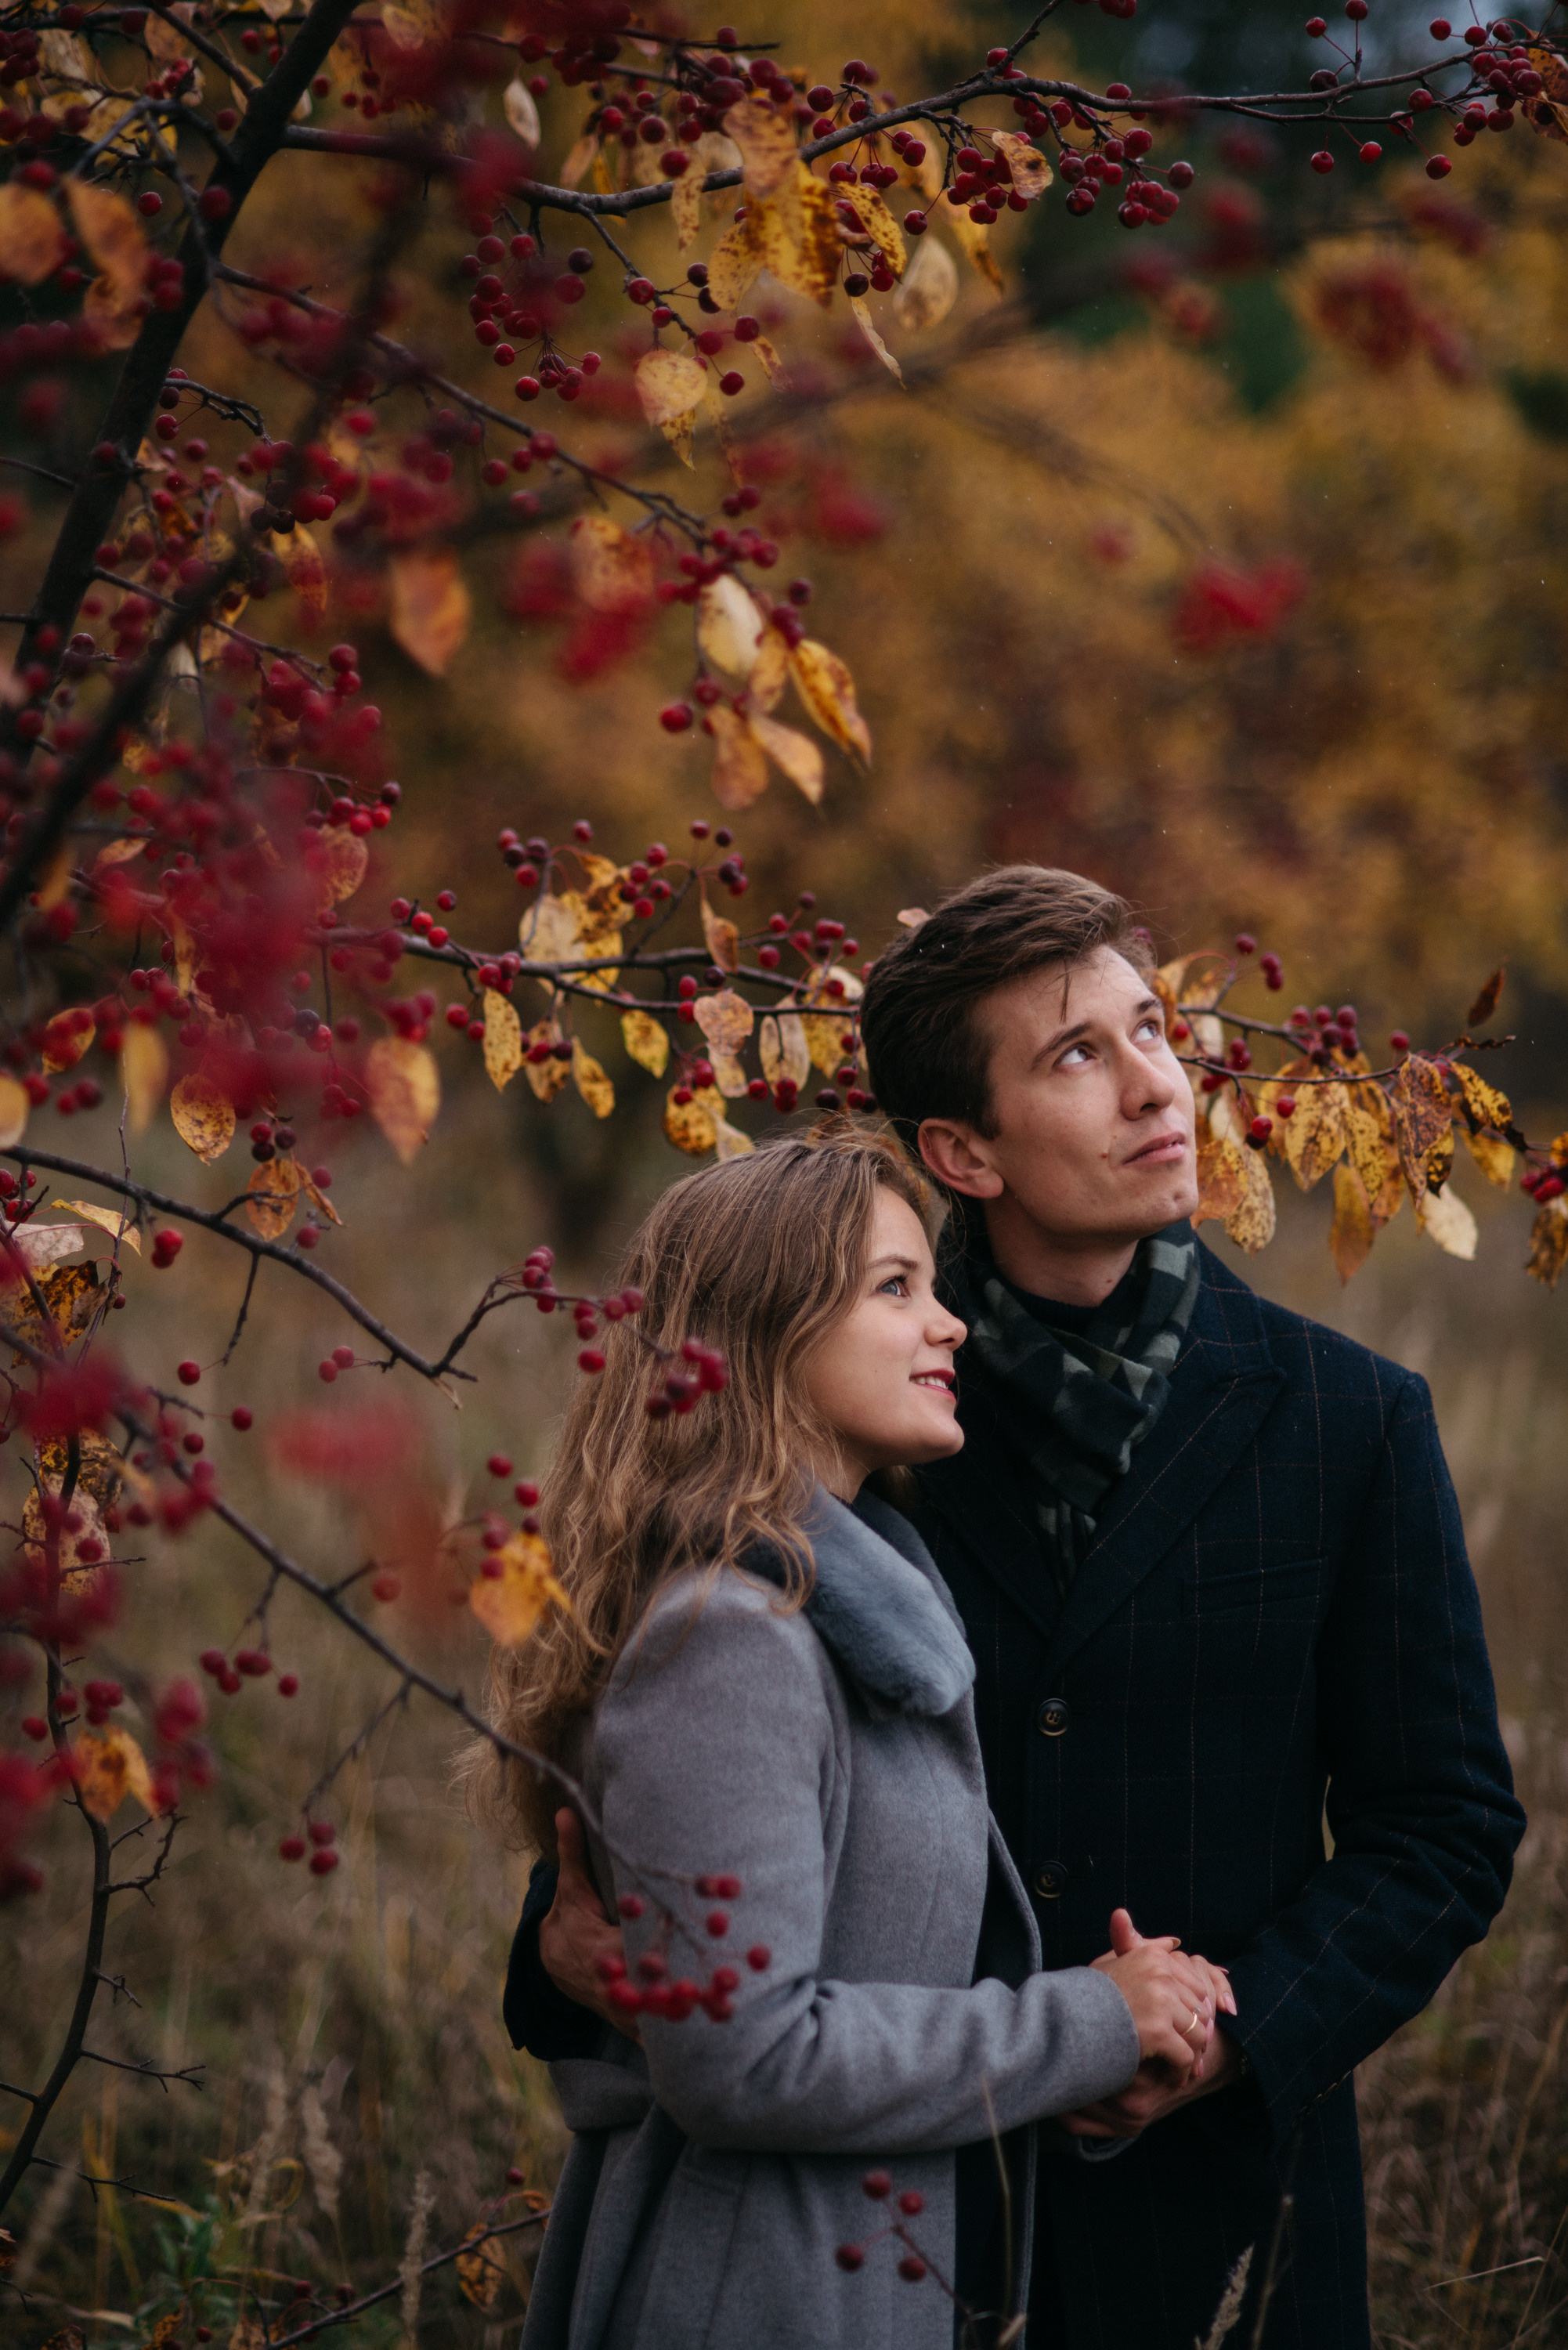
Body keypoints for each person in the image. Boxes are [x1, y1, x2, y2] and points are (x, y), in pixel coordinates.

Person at [508, 866, 1526, 2350]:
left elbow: (1440, 1824)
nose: (1154, 1088)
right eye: (1076, 1056)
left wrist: (1225, 2036)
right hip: (877, 2223)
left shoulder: (1346, 1419)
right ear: (958, 1151)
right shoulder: (868, 1402)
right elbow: (681, 1761)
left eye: (1152, 1032)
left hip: (1217, 2227)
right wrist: (559, 1945)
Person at [476, 1130, 1231, 2350]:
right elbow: (743, 2059)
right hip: (744, 2291)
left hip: (839, 2269)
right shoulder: (729, 1640)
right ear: (765, 1329)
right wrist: (1087, 2022)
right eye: (897, 1288)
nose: (951, 1329)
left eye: (933, 1287)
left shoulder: (833, 1612)